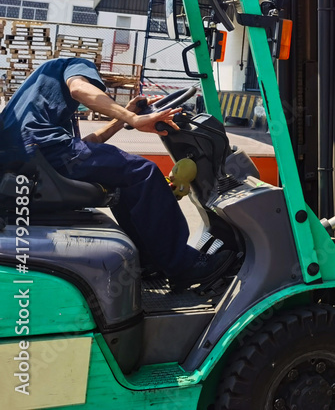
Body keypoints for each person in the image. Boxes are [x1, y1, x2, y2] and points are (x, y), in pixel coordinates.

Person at [0, 57, 234, 290]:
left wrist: (125, 116)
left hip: (30, 157)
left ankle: (149, 260)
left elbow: (87, 145)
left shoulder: (41, 99)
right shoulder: (73, 63)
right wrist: (134, 118)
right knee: (144, 172)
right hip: (42, 151)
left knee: (123, 180)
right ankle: (185, 266)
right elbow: (79, 89)